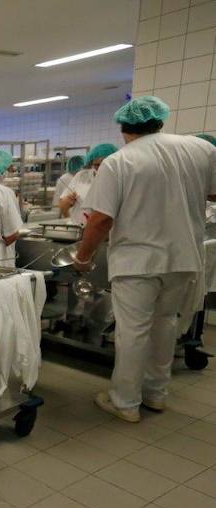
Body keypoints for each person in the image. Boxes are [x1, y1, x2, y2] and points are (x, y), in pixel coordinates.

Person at [72, 96, 216, 423]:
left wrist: (83, 258)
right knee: (165, 325)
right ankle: (156, 394)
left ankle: (125, 402)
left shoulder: (120, 161)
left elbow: (100, 220)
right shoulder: (200, 150)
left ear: (124, 129)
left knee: (133, 331)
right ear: (160, 121)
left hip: (138, 261)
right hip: (182, 256)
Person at [58, 144, 118, 225]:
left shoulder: (118, 178)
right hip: (78, 228)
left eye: (104, 164)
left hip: (106, 231)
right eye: (96, 165)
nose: (100, 168)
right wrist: (67, 202)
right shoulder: (82, 176)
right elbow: (62, 205)